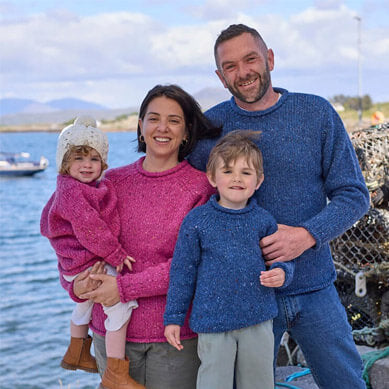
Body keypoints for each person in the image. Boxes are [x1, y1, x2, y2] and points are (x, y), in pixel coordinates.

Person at [189, 24, 370, 389]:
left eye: (250, 59)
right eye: (230, 66)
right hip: (245, 297)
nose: (243, 72)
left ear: (269, 58)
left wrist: (306, 235)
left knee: (348, 383)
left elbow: (354, 195)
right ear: (220, 76)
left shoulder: (315, 113)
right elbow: (171, 187)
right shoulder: (210, 128)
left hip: (315, 288)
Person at [59, 85, 221, 389]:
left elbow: (195, 264)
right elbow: (72, 242)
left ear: (186, 132)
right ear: (140, 125)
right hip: (110, 335)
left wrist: (124, 288)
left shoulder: (202, 188)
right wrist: (74, 285)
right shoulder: (108, 182)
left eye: (174, 120)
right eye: (154, 118)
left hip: (175, 338)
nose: (162, 127)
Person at [164, 130, 294, 389]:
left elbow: (281, 259)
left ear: (258, 181)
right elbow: (182, 273)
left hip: (257, 320)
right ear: (212, 177)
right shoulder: (197, 221)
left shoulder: (264, 220)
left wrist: (282, 273)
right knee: (213, 382)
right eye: (227, 171)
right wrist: (173, 318)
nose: (237, 178)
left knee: (259, 382)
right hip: (213, 323)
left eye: (246, 173)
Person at [40, 116, 143, 389]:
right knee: (120, 308)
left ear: (104, 163)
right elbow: (91, 229)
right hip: (87, 261)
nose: (87, 165)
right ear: (64, 163)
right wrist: (117, 255)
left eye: (94, 159)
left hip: (77, 264)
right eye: (78, 158)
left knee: (83, 304)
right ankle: (115, 373)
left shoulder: (76, 188)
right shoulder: (74, 192)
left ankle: (76, 352)